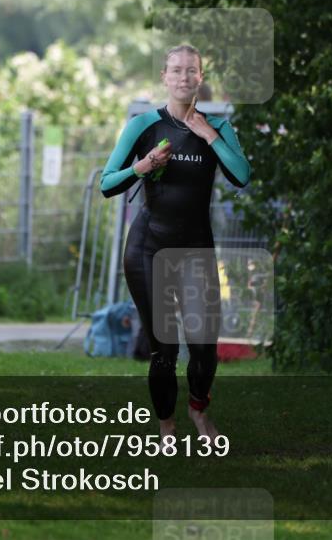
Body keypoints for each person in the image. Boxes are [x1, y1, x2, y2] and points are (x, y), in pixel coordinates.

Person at [100, 44, 251, 444]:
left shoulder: (217, 127)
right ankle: (166, 428)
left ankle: (198, 409)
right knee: (164, 349)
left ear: (201, 77)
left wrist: (208, 135)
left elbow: (241, 175)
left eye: (192, 71)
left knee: (204, 349)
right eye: (176, 70)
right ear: (164, 77)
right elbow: (106, 183)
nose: (184, 77)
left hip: (196, 251)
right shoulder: (143, 125)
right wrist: (143, 166)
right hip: (149, 250)